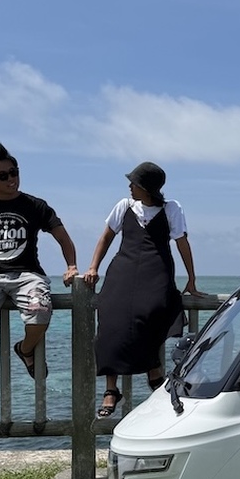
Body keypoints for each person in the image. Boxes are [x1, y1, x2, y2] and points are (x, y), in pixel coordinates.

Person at [0, 143, 78, 386]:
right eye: (3, 176)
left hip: (28, 275)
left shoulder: (36, 205)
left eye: (14, 172)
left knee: (40, 313)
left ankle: (25, 350)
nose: (11, 179)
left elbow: (63, 237)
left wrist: (71, 266)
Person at [83, 162, 203, 417]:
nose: (130, 186)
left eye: (134, 183)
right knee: (110, 319)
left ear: (147, 188)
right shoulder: (124, 206)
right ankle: (111, 389)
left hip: (156, 270)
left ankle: (153, 370)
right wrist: (93, 267)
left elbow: (182, 243)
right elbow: (106, 237)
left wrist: (191, 279)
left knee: (152, 312)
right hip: (123, 269)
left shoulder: (171, 208)